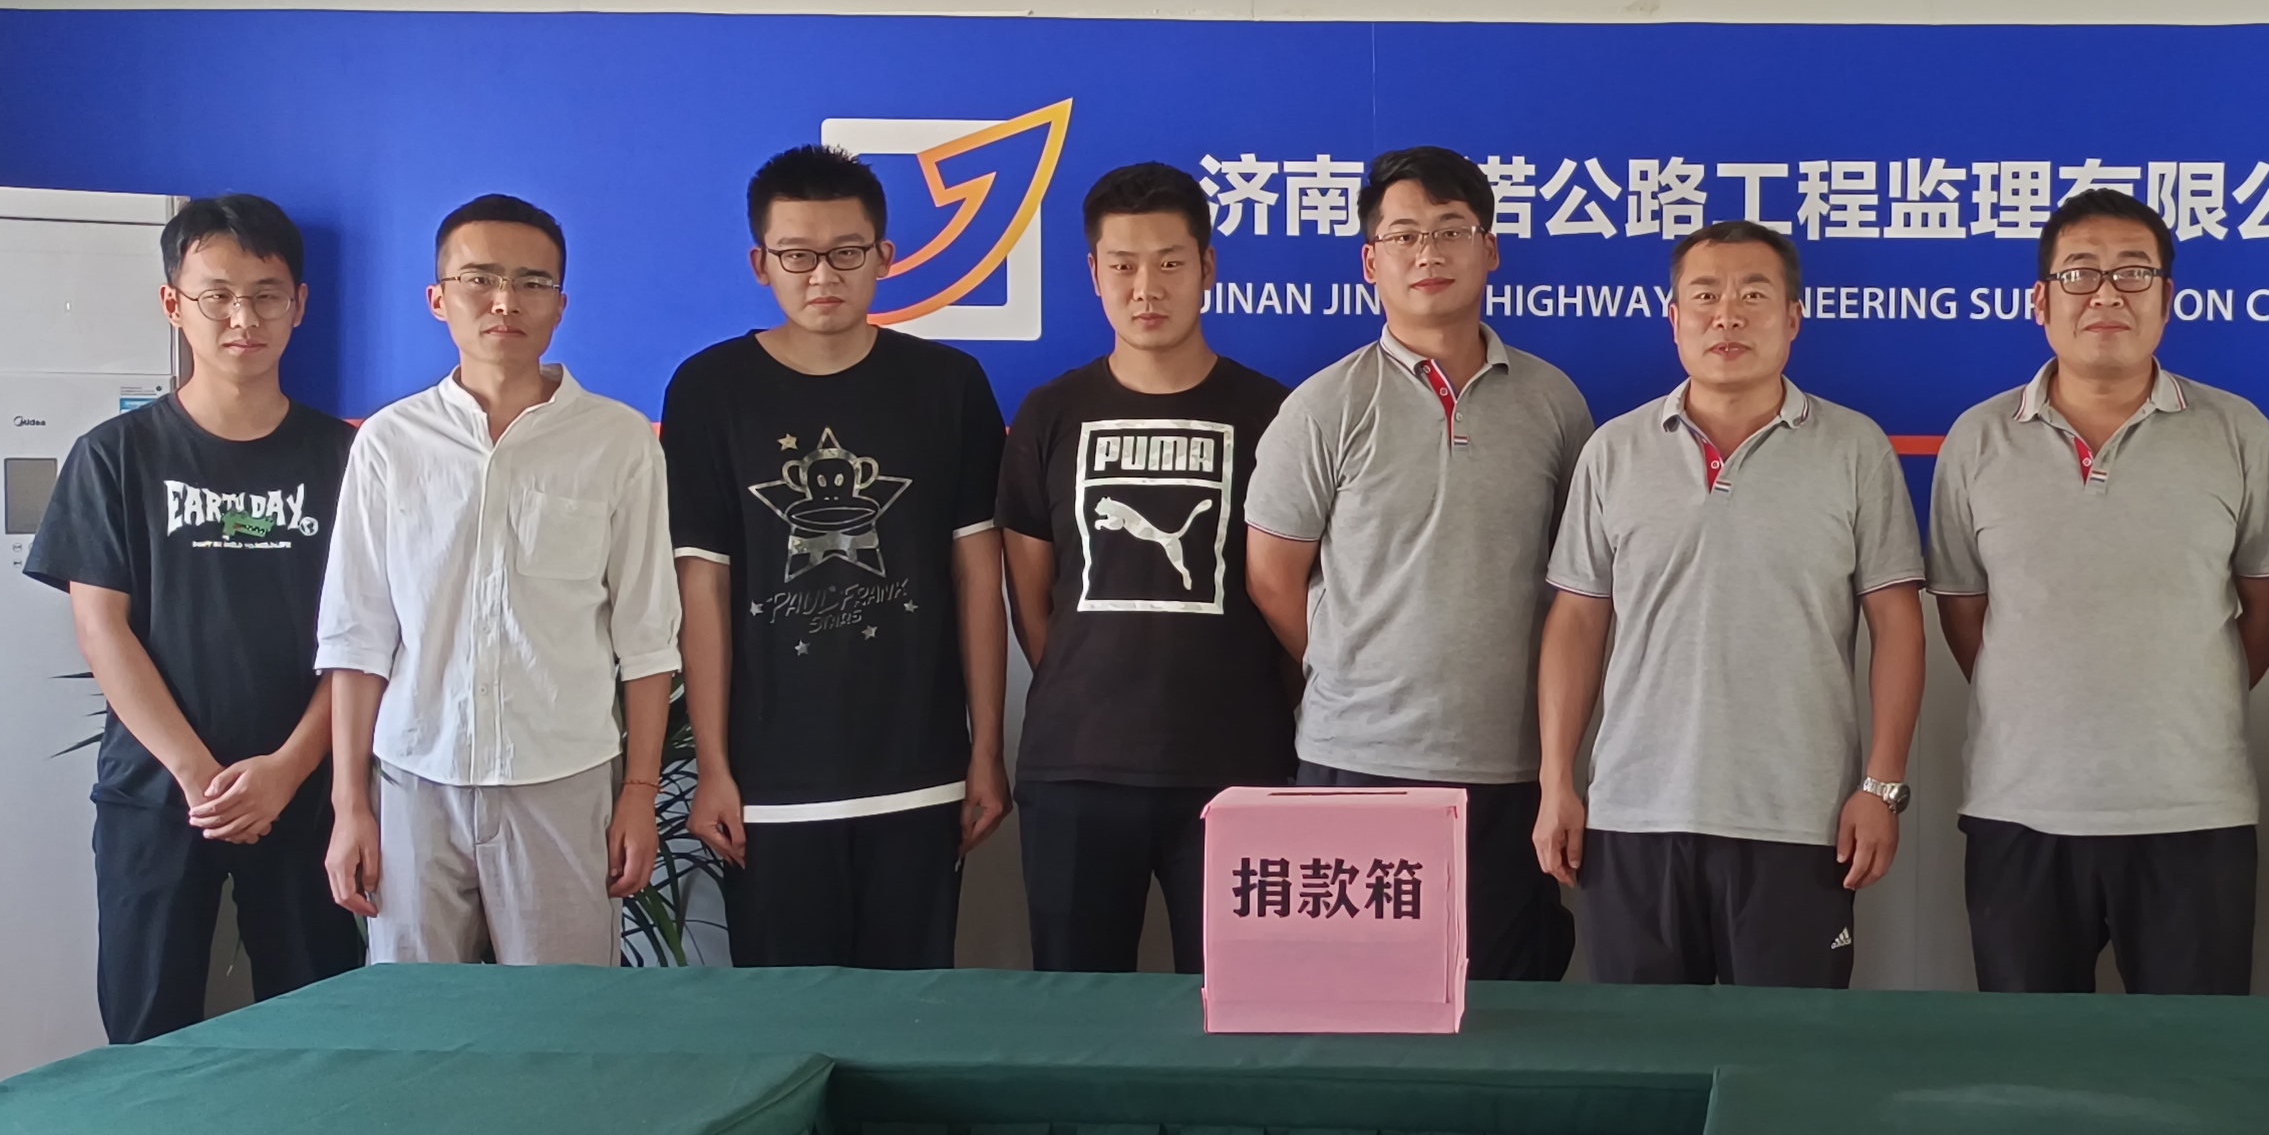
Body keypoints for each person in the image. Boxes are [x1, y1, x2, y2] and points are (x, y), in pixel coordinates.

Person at [1533, 221, 1927, 988]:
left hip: (1801, 820)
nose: (1727, 316)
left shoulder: (1854, 449)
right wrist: (1556, 784)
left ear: (1793, 317)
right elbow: (1576, 620)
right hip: (1634, 816)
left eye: (1753, 295)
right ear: (1673, 317)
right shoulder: (1614, 450)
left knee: (1788, 1051)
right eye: (1705, 296)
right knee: (1644, 1053)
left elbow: (1899, 625)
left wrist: (1881, 787)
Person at [1925, 191, 2269, 996]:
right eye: (2080, 273)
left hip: (2193, 809)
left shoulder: (2237, 432)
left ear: (2168, 298)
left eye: (2133, 273)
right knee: (2031, 1057)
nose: (2106, 294)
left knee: (2192, 1058)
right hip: (2020, 807)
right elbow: (1964, 609)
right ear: (2040, 301)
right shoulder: (1977, 439)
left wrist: (2186, 685)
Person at [1243, 146, 1594, 982]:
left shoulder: (1554, 403)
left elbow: (1579, 587)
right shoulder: (1324, 405)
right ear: (1371, 262)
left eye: (1450, 230)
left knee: (1508, 1005)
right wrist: (1355, 665)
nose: (1428, 253)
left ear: (1490, 248)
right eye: (1403, 236)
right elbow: (1271, 577)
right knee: (1356, 1000)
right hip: (1356, 760)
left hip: (1509, 764)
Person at [23, 193, 367, 1041]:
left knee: (323, 1032)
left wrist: (287, 770)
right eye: (217, 296)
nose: (243, 318)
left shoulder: (351, 460)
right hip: (157, 792)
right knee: (147, 1031)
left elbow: (369, 636)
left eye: (266, 294)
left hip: (309, 793)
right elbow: (102, 629)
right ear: (173, 304)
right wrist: (195, 775)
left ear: (300, 305)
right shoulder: (114, 456)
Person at [664, 145, 1012, 969]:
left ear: (884, 256)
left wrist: (986, 751)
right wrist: (713, 767)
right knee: (785, 1022)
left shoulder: (949, 385)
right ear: (761, 264)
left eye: (846, 252)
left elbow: (977, 577)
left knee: (913, 1017)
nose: (823, 275)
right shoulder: (710, 390)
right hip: (769, 784)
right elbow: (702, 588)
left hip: (921, 773)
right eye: (797, 255)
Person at [317, 194, 679, 966]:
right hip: (416, 776)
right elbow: (357, 635)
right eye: (479, 278)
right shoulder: (390, 443)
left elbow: (647, 636)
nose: (505, 302)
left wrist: (639, 794)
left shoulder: (617, 442)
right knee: (415, 1017)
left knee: (563, 1019)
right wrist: (351, 805)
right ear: (438, 297)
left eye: (531, 282)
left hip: (563, 778)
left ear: (561, 305)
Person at [996, 162, 1294, 972]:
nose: (1146, 288)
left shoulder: (1275, 414)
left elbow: (1297, 589)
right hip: (1076, 769)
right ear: (1094, 273)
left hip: (1237, 765)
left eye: (1170, 262)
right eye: (1123, 265)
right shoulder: (1049, 414)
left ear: (1208, 267)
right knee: (1077, 1012)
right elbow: (1031, 597)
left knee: (1242, 1007)